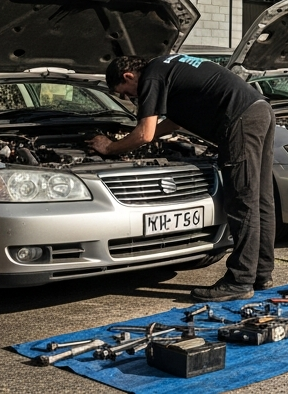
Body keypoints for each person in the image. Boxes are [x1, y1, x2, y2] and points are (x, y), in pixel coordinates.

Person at [90, 53, 275, 301]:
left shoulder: (152, 76)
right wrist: (142, 135)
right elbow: (174, 122)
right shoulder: (167, 67)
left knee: (242, 202)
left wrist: (110, 147)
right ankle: (261, 273)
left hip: (240, 119)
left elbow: (144, 135)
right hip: (259, 109)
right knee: (261, 199)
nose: (128, 98)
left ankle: (240, 280)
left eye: (124, 92)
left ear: (128, 76)